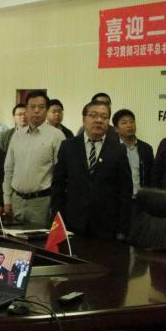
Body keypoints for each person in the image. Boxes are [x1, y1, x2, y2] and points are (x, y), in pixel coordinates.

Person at [51, 101, 132, 240]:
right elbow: (58, 186)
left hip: (106, 226)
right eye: (93, 115)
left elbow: (125, 191)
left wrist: (122, 229)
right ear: (84, 119)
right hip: (73, 223)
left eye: (104, 117)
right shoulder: (68, 146)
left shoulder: (118, 150)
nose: (99, 120)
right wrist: (58, 220)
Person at [2, 91, 66, 228]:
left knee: (39, 240)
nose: (36, 110)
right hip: (16, 201)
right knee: (14, 239)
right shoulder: (17, 136)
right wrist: (7, 199)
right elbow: (9, 169)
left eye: (41, 107)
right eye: (32, 106)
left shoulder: (57, 136)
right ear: (26, 109)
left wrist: (55, 205)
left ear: (47, 110)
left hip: (42, 203)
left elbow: (61, 175)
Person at [112, 109, 154, 199]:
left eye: (131, 122)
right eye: (124, 123)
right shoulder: (111, 149)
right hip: (118, 200)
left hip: (142, 199)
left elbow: (152, 175)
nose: (129, 125)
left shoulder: (146, 148)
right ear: (116, 129)